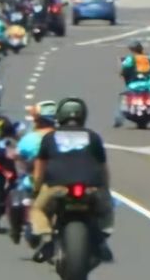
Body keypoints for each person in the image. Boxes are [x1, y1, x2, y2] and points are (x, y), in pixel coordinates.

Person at [29, 97, 114, 261]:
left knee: (37, 209)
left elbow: (39, 169)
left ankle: (47, 240)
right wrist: (105, 190)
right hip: (90, 187)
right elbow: (103, 168)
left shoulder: (49, 137)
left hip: (57, 187)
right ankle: (102, 240)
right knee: (106, 209)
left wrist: (36, 189)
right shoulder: (94, 137)